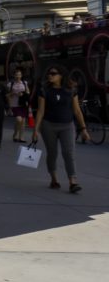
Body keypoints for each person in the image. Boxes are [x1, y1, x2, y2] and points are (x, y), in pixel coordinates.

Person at [32, 65, 90, 193]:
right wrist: (35, 130)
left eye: (53, 73)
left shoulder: (70, 89)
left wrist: (83, 128)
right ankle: (54, 179)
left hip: (67, 125)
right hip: (48, 126)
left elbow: (77, 110)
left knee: (68, 153)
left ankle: (73, 182)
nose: (50, 75)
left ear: (61, 75)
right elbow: (40, 111)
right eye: (49, 73)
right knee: (52, 154)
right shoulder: (44, 90)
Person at [7, 68, 30, 143]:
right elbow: (7, 95)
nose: (18, 76)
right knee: (18, 119)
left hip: (23, 104)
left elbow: (28, 92)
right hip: (14, 104)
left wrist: (23, 93)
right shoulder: (10, 84)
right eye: (16, 75)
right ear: (14, 75)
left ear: (21, 75)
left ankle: (21, 137)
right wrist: (14, 93)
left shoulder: (24, 83)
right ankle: (15, 133)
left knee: (23, 121)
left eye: (19, 75)